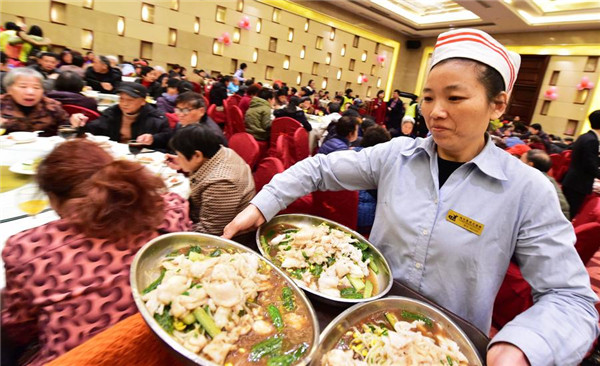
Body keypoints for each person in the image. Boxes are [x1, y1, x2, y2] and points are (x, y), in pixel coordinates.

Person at [223, 28, 599, 366]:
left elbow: (571, 298)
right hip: (361, 331)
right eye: (429, 97)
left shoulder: (527, 190)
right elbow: (317, 169)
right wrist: (262, 204)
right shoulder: (396, 156)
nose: (435, 112)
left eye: (454, 98)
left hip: (446, 347)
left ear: (497, 105)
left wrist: (521, 347)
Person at [1, 139, 191, 366]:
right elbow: (168, 199)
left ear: (53, 200)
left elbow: (19, 329)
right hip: (167, 350)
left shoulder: (29, 251)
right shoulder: (171, 213)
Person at [169, 124, 254, 235]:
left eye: (179, 155)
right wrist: (183, 165)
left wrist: (172, 230)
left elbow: (211, 231)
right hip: (209, 216)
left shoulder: (220, 183)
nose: (177, 158)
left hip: (232, 236)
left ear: (197, 156)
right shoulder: (222, 151)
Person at [78, 82, 171, 150]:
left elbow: (167, 139)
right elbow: (94, 128)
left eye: (130, 100)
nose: (124, 104)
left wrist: (153, 139)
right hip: (115, 153)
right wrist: (80, 124)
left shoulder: (157, 118)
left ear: (143, 101)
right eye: (121, 99)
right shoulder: (113, 112)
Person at [1, 68, 85, 136]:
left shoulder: (52, 106)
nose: (31, 92)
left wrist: (74, 123)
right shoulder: (2, 104)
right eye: (23, 87)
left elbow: (66, 130)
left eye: (36, 88)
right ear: (9, 89)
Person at [562, 110, 600, 218]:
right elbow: (590, 165)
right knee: (569, 213)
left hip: (573, 180)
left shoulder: (585, 136)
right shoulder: (592, 140)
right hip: (579, 183)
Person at [520, 149, 570, 219]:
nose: (518, 163)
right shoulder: (544, 179)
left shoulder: (534, 183)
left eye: (521, 160)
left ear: (530, 165)